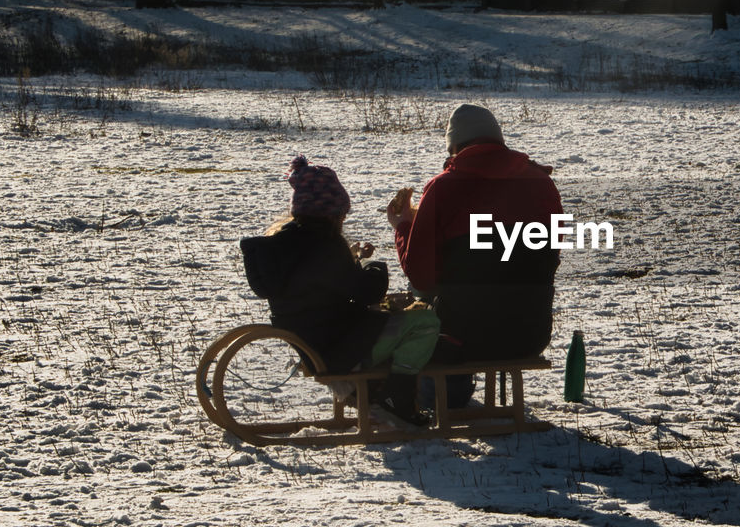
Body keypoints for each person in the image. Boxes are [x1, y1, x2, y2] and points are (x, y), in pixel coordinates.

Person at [386, 105, 562, 407]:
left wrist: (404, 226)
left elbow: (421, 275)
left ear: (454, 147)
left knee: (422, 299)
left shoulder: (443, 188)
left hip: (461, 338)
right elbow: (549, 255)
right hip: (530, 332)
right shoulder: (542, 183)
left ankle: (437, 398)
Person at [240, 155, 439, 419]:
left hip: (314, 348)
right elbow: (368, 291)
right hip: (341, 351)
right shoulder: (326, 246)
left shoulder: (279, 245)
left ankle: (371, 391)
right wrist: (374, 265)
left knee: (394, 319)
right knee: (425, 321)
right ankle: (396, 393)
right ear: (333, 213)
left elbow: (321, 285)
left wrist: (352, 258)